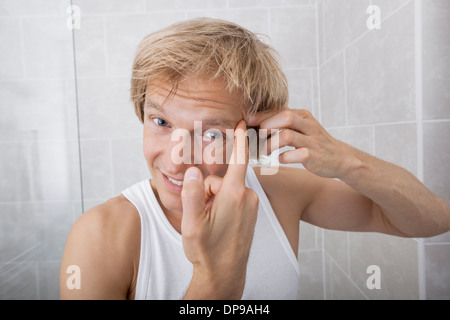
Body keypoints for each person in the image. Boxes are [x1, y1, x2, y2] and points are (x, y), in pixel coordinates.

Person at [59, 18, 450, 300]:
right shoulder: (102, 236)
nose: (177, 161)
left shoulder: (281, 193)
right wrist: (215, 279)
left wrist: (346, 161)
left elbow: (433, 220)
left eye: (212, 133)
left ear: (254, 136)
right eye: (160, 121)